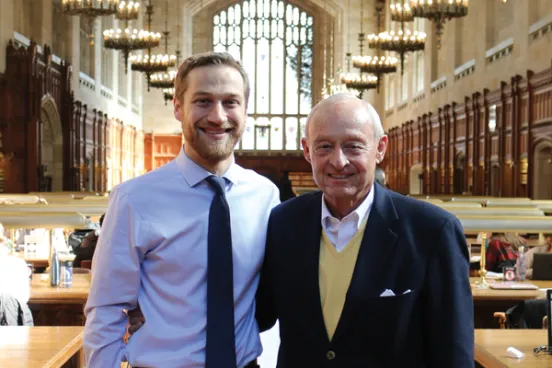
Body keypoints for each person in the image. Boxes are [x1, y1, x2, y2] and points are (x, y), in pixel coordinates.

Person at [83, 52, 280, 368]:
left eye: (231, 102)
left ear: (246, 110)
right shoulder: (134, 198)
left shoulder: (265, 197)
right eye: (203, 101)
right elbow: (107, 308)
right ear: (178, 106)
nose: (217, 116)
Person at [255, 93, 474, 367]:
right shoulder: (283, 223)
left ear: (380, 148)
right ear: (307, 151)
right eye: (324, 146)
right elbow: (258, 314)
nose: (338, 160)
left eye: (353, 146)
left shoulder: (432, 231)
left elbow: (453, 351)